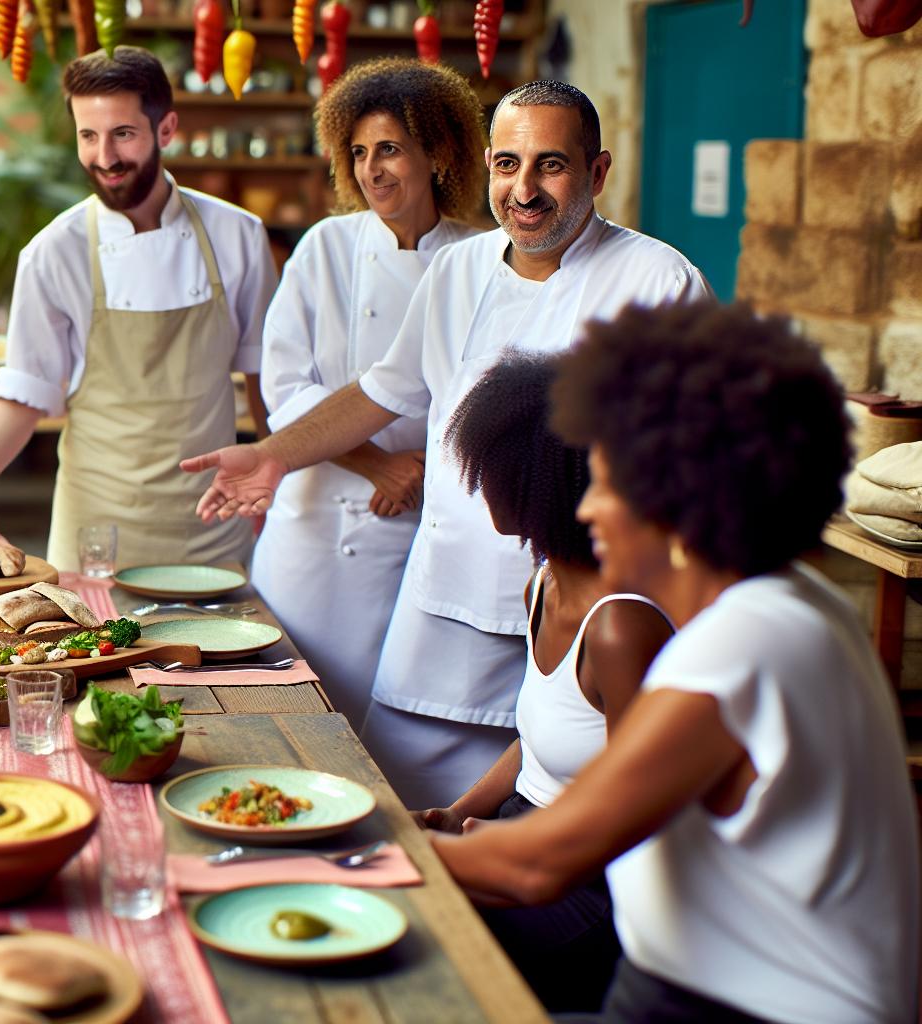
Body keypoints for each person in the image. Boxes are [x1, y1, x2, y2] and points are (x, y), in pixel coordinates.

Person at [182, 80, 712, 807]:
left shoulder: (658, 280)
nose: (524, 189)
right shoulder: (457, 269)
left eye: (552, 165)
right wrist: (274, 454)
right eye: (508, 164)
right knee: (393, 798)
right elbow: (382, 391)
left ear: (597, 172)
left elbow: (686, 468)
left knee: (550, 799)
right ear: (488, 165)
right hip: (446, 599)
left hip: (572, 615)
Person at [434, 302, 919, 1024]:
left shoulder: (743, 644)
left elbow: (538, 865)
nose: (586, 510)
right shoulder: (787, 601)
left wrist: (366, 850)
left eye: (606, 485)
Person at [0, 46, 276, 570]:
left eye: (123, 134)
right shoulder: (54, 252)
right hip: (94, 533)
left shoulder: (238, 236)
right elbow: (27, 389)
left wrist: (276, 472)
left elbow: (264, 378)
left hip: (214, 523)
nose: (104, 157)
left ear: (166, 129)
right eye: (88, 136)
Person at [412, 353, 672, 1012]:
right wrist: (459, 813)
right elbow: (540, 740)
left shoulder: (620, 628)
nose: (479, 484)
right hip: (525, 837)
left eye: (491, 469)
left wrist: (506, 850)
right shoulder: (544, 583)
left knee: (416, 931)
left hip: (592, 887)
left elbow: (641, 818)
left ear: (541, 482)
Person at [251, 57, 486, 727]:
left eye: (390, 149)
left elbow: (484, 396)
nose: (371, 170)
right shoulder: (324, 248)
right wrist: (377, 463)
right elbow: (285, 389)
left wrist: (424, 472)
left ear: (439, 153)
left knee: (398, 727)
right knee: (290, 711)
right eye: (358, 152)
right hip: (316, 527)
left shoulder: (479, 257)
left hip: (423, 523)